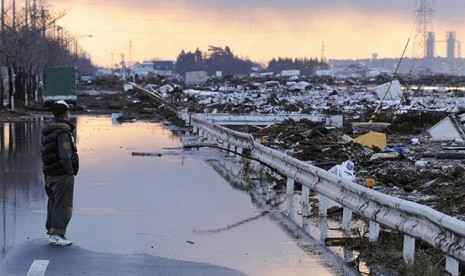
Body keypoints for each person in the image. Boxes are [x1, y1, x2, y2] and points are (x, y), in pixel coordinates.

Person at [41, 100, 79, 246]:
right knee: (63, 205)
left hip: (49, 174)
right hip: (61, 175)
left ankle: (51, 232)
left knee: (53, 203)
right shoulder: (63, 132)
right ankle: (57, 234)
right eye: (68, 112)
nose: (69, 114)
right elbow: (65, 155)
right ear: (65, 115)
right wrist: (70, 171)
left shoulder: (48, 129)